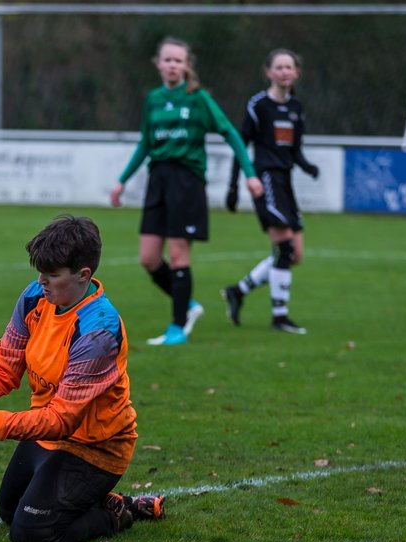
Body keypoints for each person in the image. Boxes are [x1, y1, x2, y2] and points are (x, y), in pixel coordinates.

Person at [0, 215, 163, 542]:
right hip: (45, 433)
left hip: (95, 447)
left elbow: (62, 419)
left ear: (83, 275)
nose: (41, 281)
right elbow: (5, 366)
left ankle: (117, 513)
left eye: (52, 274)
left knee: (33, 530)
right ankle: (97, 501)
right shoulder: (36, 297)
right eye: (40, 272)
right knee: (9, 510)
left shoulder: (98, 332)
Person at [110, 36, 263, 346]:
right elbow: (145, 144)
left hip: (187, 181)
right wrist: (122, 180)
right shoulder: (153, 99)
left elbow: (230, 132)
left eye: (178, 60)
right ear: (158, 64)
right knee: (149, 258)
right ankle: (189, 306)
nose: (172, 65)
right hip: (158, 180)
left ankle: (177, 328)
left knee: (179, 254)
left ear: (186, 65)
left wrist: (250, 174)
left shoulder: (198, 99)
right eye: (167, 59)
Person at [223, 48, 320, 334]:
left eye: (289, 67)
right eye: (279, 67)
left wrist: (306, 166)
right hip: (265, 179)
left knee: (294, 254)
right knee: (285, 247)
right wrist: (233, 185)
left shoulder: (296, 108)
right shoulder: (258, 105)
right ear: (269, 72)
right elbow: (240, 145)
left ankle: (238, 291)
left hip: (286, 182)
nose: (284, 71)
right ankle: (280, 317)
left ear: (296, 72)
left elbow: (296, 150)